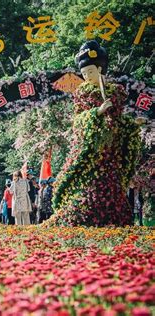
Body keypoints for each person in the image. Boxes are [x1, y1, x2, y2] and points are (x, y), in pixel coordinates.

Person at [52, 40, 143, 226]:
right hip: (91, 150)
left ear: (100, 70)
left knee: (111, 183)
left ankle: (115, 217)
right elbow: (77, 122)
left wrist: (131, 124)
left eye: (90, 72)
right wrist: (97, 112)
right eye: (84, 73)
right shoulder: (81, 94)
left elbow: (118, 121)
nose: (87, 76)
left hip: (111, 152)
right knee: (90, 184)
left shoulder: (115, 92)